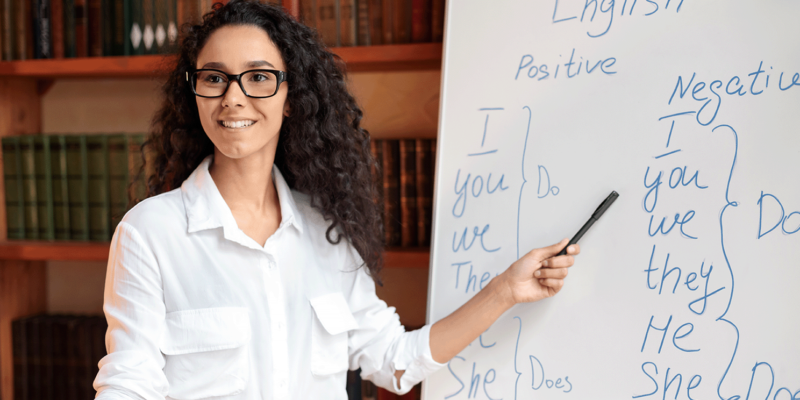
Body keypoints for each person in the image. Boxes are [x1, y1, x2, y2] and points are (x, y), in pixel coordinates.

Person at [92, 1, 580, 399]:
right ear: (194, 91)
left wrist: (506, 291)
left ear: (291, 96)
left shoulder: (327, 232)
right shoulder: (150, 233)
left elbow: (394, 361)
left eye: (259, 77)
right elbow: (129, 383)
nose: (233, 98)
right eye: (214, 77)